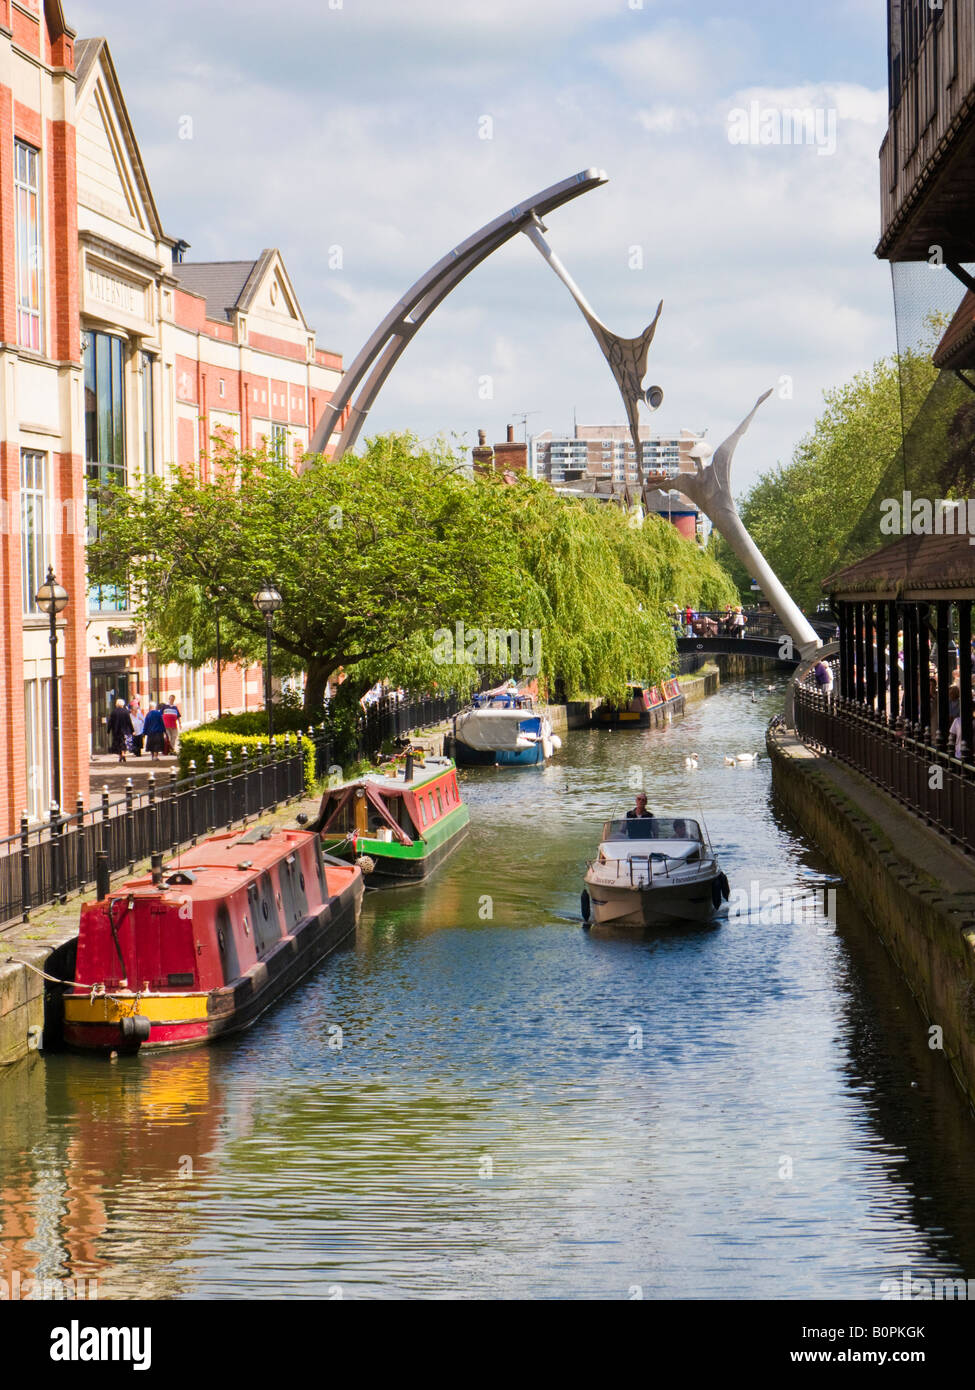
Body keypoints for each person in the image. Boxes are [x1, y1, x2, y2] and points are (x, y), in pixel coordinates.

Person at [106, 698, 133, 764]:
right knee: (123, 742)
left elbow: (110, 722)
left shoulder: (113, 712)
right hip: (124, 730)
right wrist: (132, 730)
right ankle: (123, 753)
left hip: (116, 730)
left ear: (117, 704)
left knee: (118, 743)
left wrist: (108, 731)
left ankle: (120, 755)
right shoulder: (126, 712)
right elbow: (129, 722)